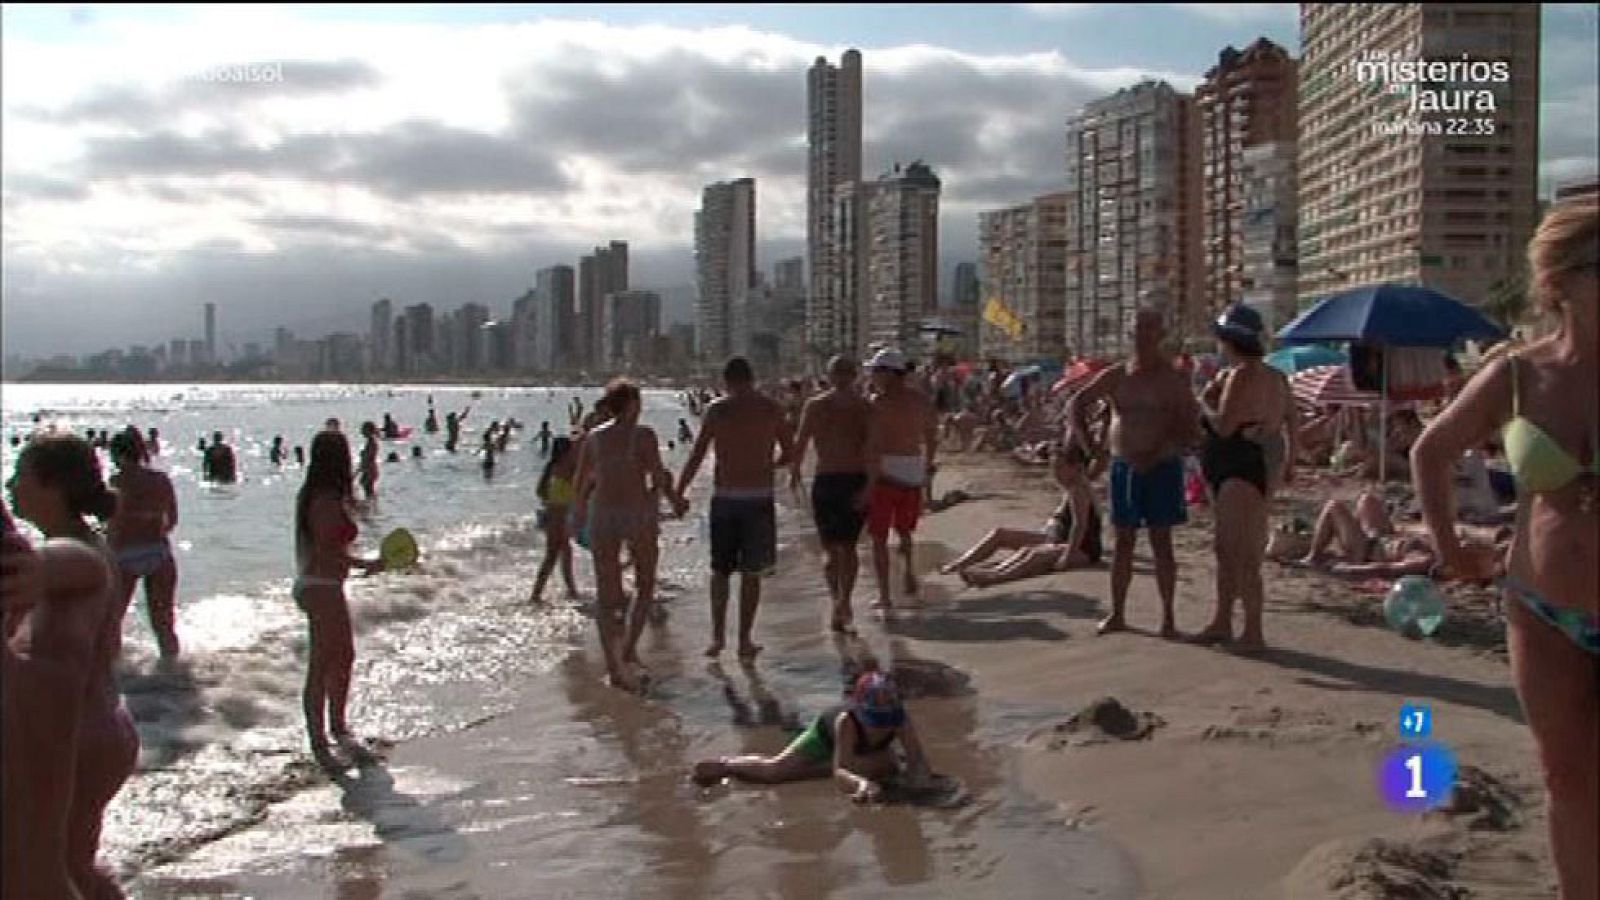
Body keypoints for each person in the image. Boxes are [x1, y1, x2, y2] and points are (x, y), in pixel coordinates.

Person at [1410, 200, 1598, 900]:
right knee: (1565, 776)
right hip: (1541, 608)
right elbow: (1430, 451)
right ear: (1563, 281)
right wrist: (1447, 542)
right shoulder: (1519, 376)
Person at [8, 435, 139, 899]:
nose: (10, 485)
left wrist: (34, 568)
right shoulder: (90, 542)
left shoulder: (73, 552)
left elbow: (69, 568)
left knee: (61, 867)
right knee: (74, 865)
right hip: (105, 724)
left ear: (54, 485)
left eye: (20, 476)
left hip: (82, 736)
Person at [1067, 308, 1202, 639]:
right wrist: (1091, 449)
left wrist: (1161, 449)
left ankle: (1169, 618)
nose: (1142, 337)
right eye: (1137, 331)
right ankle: (1117, 613)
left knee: (1161, 543)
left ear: (1160, 335)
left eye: (1149, 331)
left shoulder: (1172, 379)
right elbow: (1077, 404)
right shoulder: (1118, 375)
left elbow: (1190, 426)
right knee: (1123, 541)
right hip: (1123, 465)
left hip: (1162, 466)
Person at [1192, 305, 1296, 652]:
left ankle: (1251, 630)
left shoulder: (1242, 375)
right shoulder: (1275, 376)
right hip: (1247, 464)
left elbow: (1223, 425)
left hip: (1237, 463)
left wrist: (1204, 401)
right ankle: (1224, 621)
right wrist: (1290, 460)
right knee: (1230, 549)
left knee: (1240, 551)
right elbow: (1291, 422)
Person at [676, 357, 794, 659]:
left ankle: (717, 639)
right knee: (751, 572)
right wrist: (766, 465)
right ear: (752, 379)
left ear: (727, 381)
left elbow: (698, 454)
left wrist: (679, 490)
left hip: (726, 497)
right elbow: (790, 452)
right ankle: (744, 640)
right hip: (759, 497)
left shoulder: (718, 410)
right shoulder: (770, 408)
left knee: (720, 571)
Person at [572, 380, 679, 691]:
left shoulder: (594, 437)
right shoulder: (643, 436)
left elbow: (581, 485)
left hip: (602, 515)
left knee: (607, 596)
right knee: (645, 582)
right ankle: (629, 648)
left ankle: (614, 666)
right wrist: (671, 497)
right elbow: (658, 475)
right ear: (631, 404)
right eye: (639, 400)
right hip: (635, 514)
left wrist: (577, 518)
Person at [692, 671, 934, 803]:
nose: (882, 727)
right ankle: (727, 764)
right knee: (775, 771)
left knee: (889, 766)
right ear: (861, 711)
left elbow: (917, 757)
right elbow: (842, 771)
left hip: (863, 753)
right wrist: (859, 784)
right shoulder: (847, 721)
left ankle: (818, 771)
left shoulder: (900, 718)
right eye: (876, 721)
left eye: (887, 720)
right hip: (825, 738)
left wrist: (920, 780)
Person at [293, 430, 385, 770]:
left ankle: (338, 727)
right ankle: (320, 741)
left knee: (343, 656)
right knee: (322, 662)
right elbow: (326, 551)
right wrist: (368, 564)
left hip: (325, 585)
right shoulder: (323, 500)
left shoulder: (326, 496)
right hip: (319, 585)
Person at [940, 443, 1103, 587]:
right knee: (1015, 543)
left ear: (1076, 467)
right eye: (1053, 467)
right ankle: (972, 567)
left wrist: (1068, 556)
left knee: (1035, 554)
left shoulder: (1079, 490)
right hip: (1059, 539)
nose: (1055, 473)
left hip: (1083, 550)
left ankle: (996, 576)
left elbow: (1079, 525)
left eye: (1060, 467)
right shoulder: (1072, 486)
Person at [791, 355, 872, 633]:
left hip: (826, 480)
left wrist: (794, 475)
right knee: (848, 547)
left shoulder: (816, 406)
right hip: (854, 479)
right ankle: (844, 601)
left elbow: (800, 444)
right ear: (855, 375)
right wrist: (870, 487)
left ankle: (837, 600)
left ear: (829, 374)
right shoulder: (864, 407)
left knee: (830, 550)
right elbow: (875, 452)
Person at [861, 348, 939, 611]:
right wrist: (927, 466)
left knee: (879, 537)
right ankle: (908, 572)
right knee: (905, 531)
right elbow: (931, 436)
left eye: (875, 371)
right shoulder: (920, 400)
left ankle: (884, 595)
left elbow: (868, 442)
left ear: (888, 374)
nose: (871, 376)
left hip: (885, 472)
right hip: (913, 470)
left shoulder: (876, 403)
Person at [107, 429, 181, 659]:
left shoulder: (115, 482)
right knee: (163, 624)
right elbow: (172, 520)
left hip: (124, 555)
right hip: (157, 551)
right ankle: (172, 675)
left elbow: (114, 526)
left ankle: (113, 676)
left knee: (112, 622)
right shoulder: (160, 480)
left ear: (116, 454)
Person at [529, 436, 581, 604]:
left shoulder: (551, 466)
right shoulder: (568, 468)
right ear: (566, 452)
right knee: (552, 556)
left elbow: (539, 491)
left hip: (551, 515)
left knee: (565, 552)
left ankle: (571, 589)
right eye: (572, 449)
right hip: (558, 518)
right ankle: (536, 594)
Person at [357, 421, 380, 501]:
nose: (361, 431)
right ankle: (371, 503)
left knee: (367, 486)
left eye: (363, 429)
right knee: (365, 485)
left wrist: (363, 455)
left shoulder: (372, 442)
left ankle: (372, 504)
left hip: (370, 469)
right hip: (368, 469)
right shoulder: (370, 442)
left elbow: (369, 457)